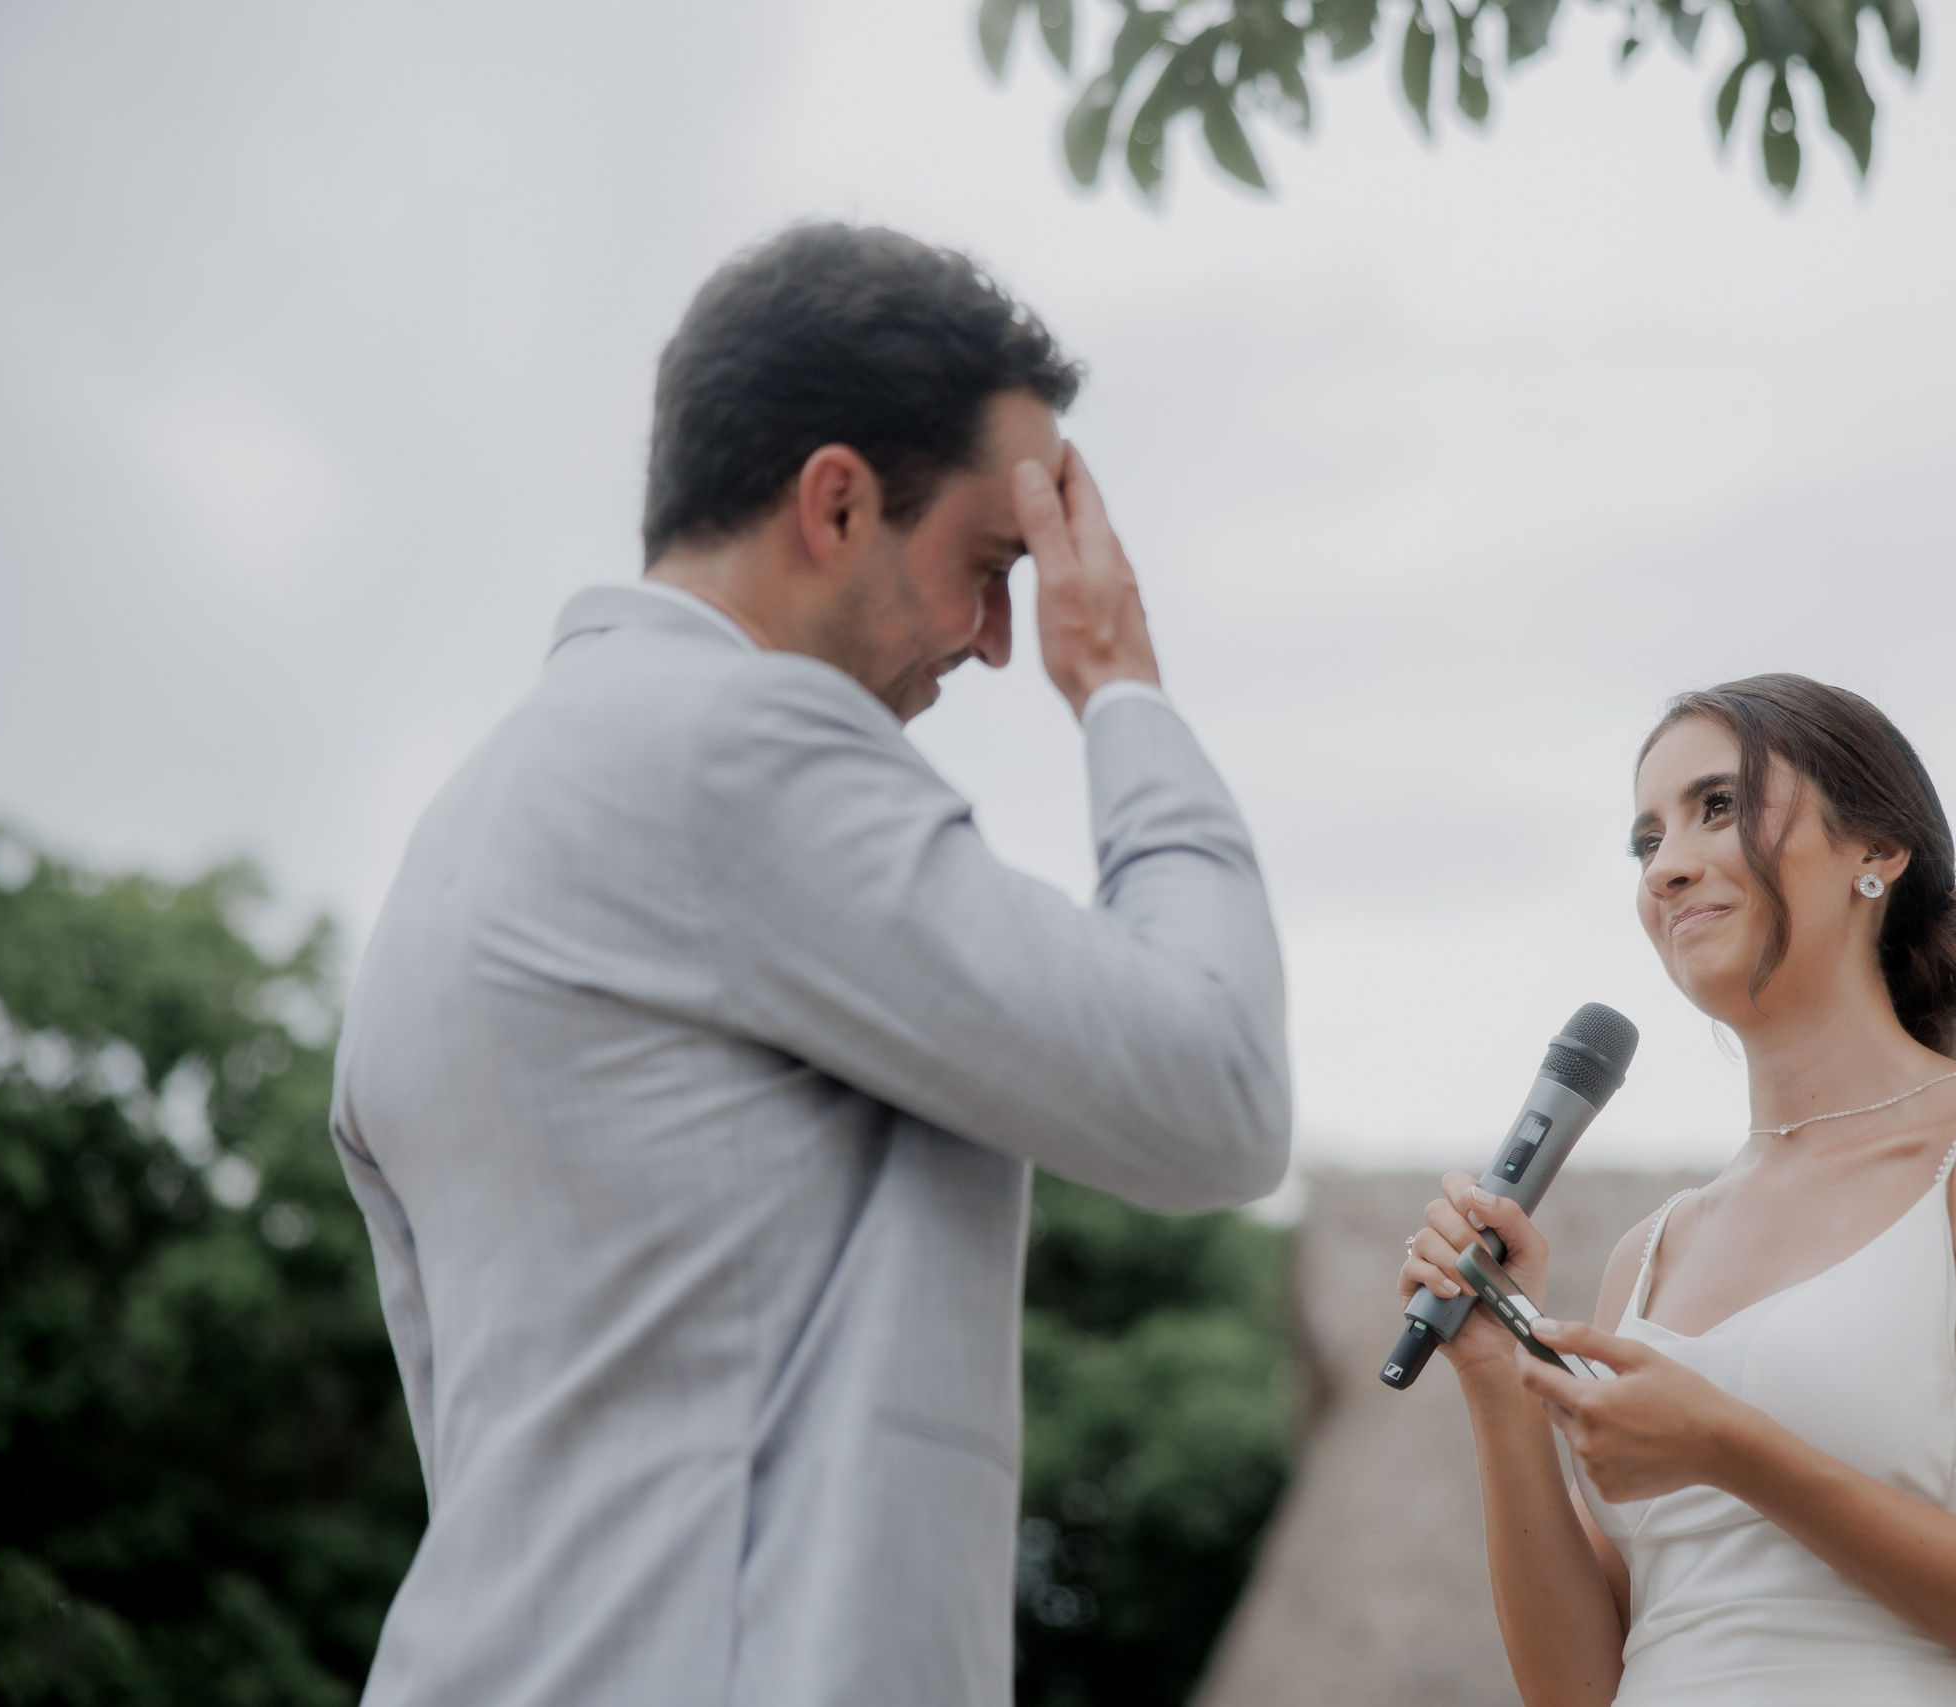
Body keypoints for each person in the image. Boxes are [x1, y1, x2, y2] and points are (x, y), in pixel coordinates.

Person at [329, 223, 1292, 1706]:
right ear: (836, 501)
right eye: (991, 565)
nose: (991, 641)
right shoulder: (736, 751)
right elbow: (1216, 1086)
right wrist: (1122, 688)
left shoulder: (458, 836)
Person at [1398, 674, 1956, 1707]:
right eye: (1645, 841)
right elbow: (1583, 1690)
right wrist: (1499, 1385)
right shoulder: (1652, 1253)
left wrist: (1732, 1450)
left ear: (1876, 850)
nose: (1668, 867)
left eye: (1716, 808)